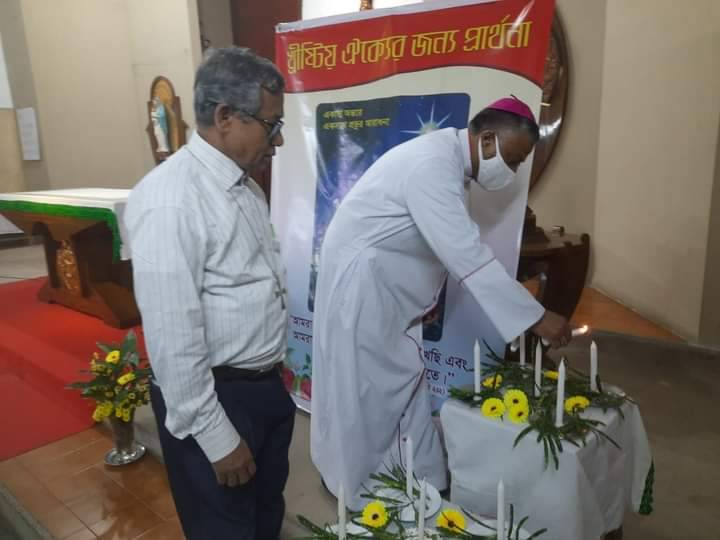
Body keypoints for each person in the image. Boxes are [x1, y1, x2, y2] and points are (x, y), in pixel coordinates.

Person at [310, 96, 573, 510]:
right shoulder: (432, 165)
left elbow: (432, 243)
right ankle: (357, 484)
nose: (515, 169)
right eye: (515, 158)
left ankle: (420, 475)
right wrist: (536, 318)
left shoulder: (447, 162)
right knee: (366, 391)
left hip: (384, 289)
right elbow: (466, 255)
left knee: (399, 380)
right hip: (362, 290)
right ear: (487, 139)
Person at [125, 47, 295, 540]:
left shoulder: (246, 187)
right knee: (224, 527)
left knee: (265, 515)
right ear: (225, 117)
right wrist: (217, 436)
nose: (278, 139)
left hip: (261, 389)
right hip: (215, 399)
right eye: (271, 124)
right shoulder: (170, 199)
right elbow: (173, 338)